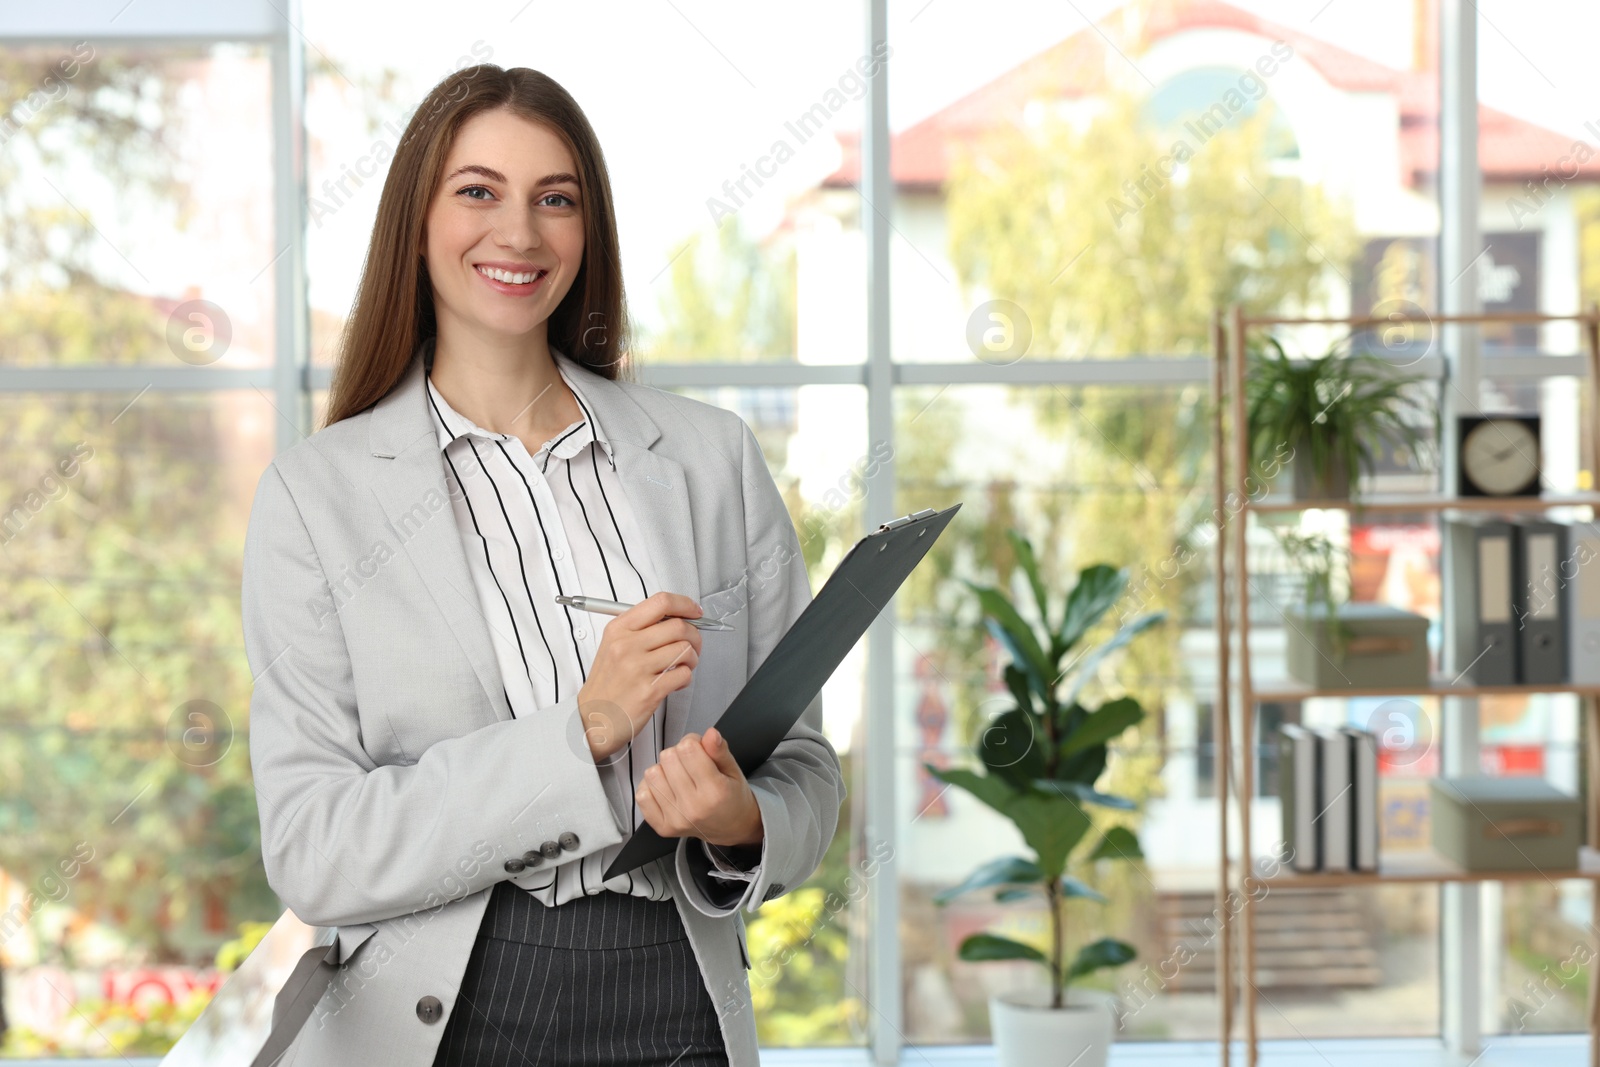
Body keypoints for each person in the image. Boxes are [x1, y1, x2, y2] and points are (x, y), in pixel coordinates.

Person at [240, 63, 845, 1067]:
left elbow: (806, 770)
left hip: (678, 992)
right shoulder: (317, 498)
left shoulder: (712, 460)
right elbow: (314, 847)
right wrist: (583, 731)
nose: (517, 234)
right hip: (447, 1008)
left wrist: (743, 822)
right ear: (416, 222)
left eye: (553, 199)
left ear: (587, 228)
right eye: (478, 191)